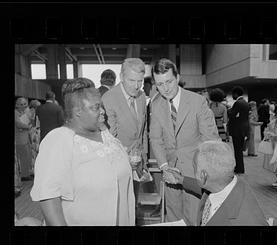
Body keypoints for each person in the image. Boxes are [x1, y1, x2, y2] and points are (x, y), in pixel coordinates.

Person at [30, 78, 135, 226]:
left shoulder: (104, 133)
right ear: (77, 111)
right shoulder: (59, 140)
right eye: (96, 107)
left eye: (102, 106)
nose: (102, 111)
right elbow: (49, 197)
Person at [149, 58, 220, 226]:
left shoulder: (197, 101)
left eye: (169, 82)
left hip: (194, 172)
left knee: (195, 218)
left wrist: (207, 171)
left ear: (178, 78)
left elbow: (210, 139)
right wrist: (164, 167)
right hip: (170, 171)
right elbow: (156, 138)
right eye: (159, 84)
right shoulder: (156, 104)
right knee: (173, 218)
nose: (165, 88)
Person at [165, 141, 268, 226]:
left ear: (203, 176)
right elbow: (206, 187)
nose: (193, 171)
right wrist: (181, 179)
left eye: (194, 167)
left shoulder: (245, 220)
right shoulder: (228, 185)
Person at [102, 58, 148, 213]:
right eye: (131, 80)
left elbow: (142, 131)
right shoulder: (109, 98)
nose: (136, 86)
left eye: (140, 81)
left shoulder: (141, 96)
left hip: (138, 161)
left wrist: (144, 156)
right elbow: (109, 137)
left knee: (133, 204)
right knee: (119, 208)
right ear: (121, 77)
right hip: (118, 162)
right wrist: (125, 157)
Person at [227, 86, 250, 175]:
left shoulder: (238, 103)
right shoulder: (245, 102)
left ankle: (239, 168)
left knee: (238, 150)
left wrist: (229, 110)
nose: (232, 96)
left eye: (233, 94)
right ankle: (239, 167)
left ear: (236, 94)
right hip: (243, 128)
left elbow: (232, 115)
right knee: (239, 150)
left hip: (237, 129)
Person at [264, 103, 277, 189]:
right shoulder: (274, 121)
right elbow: (267, 130)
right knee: (275, 162)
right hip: (273, 144)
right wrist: (268, 134)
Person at [15, 97, 33, 181]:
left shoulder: (25, 112)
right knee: (22, 158)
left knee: (28, 156)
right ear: (17, 105)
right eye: (21, 104)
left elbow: (30, 121)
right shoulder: (15, 113)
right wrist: (27, 127)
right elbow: (18, 124)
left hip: (26, 138)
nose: (24, 106)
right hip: (20, 139)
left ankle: (28, 173)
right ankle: (24, 176)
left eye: (25, 104)